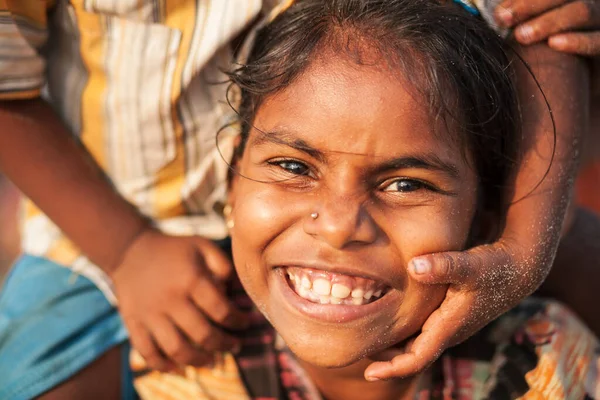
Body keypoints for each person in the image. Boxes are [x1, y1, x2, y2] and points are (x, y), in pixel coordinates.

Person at [0, 0, 595, 399]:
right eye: (295, 166)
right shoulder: (186, 381)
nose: (339, 227)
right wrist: (127, 251)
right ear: (231, 173)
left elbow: (540, 25)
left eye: (405, 183)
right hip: (102, 223)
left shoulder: (551, 364)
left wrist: (523, 251)